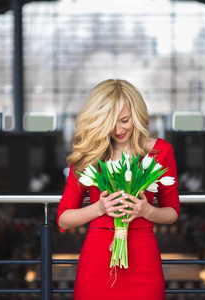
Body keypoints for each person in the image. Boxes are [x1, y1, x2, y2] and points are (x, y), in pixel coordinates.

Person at [57, 79, 180, 300]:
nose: (118, 129)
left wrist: (146, 211)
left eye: (125, 120)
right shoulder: (89, 154)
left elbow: (172, 213)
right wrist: (100, 208)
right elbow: (63, 219)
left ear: (138, 114)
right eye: (110, 122)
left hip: (144, 259)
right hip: (96, 263)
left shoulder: (161, 151)